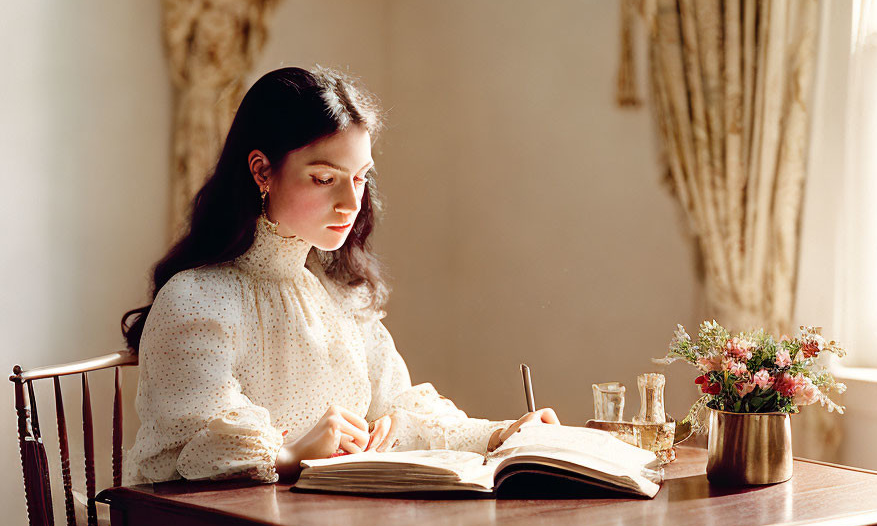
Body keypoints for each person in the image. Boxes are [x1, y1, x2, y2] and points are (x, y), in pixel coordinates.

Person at [122, 66, 559, 485]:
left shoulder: (338, 297)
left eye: (361, 178)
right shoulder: (197, 299)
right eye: (325, 178)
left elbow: (402, 411)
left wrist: (503, 434)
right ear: (261, 171)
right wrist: (295, 454)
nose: (351, 202)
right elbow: (190, 453)